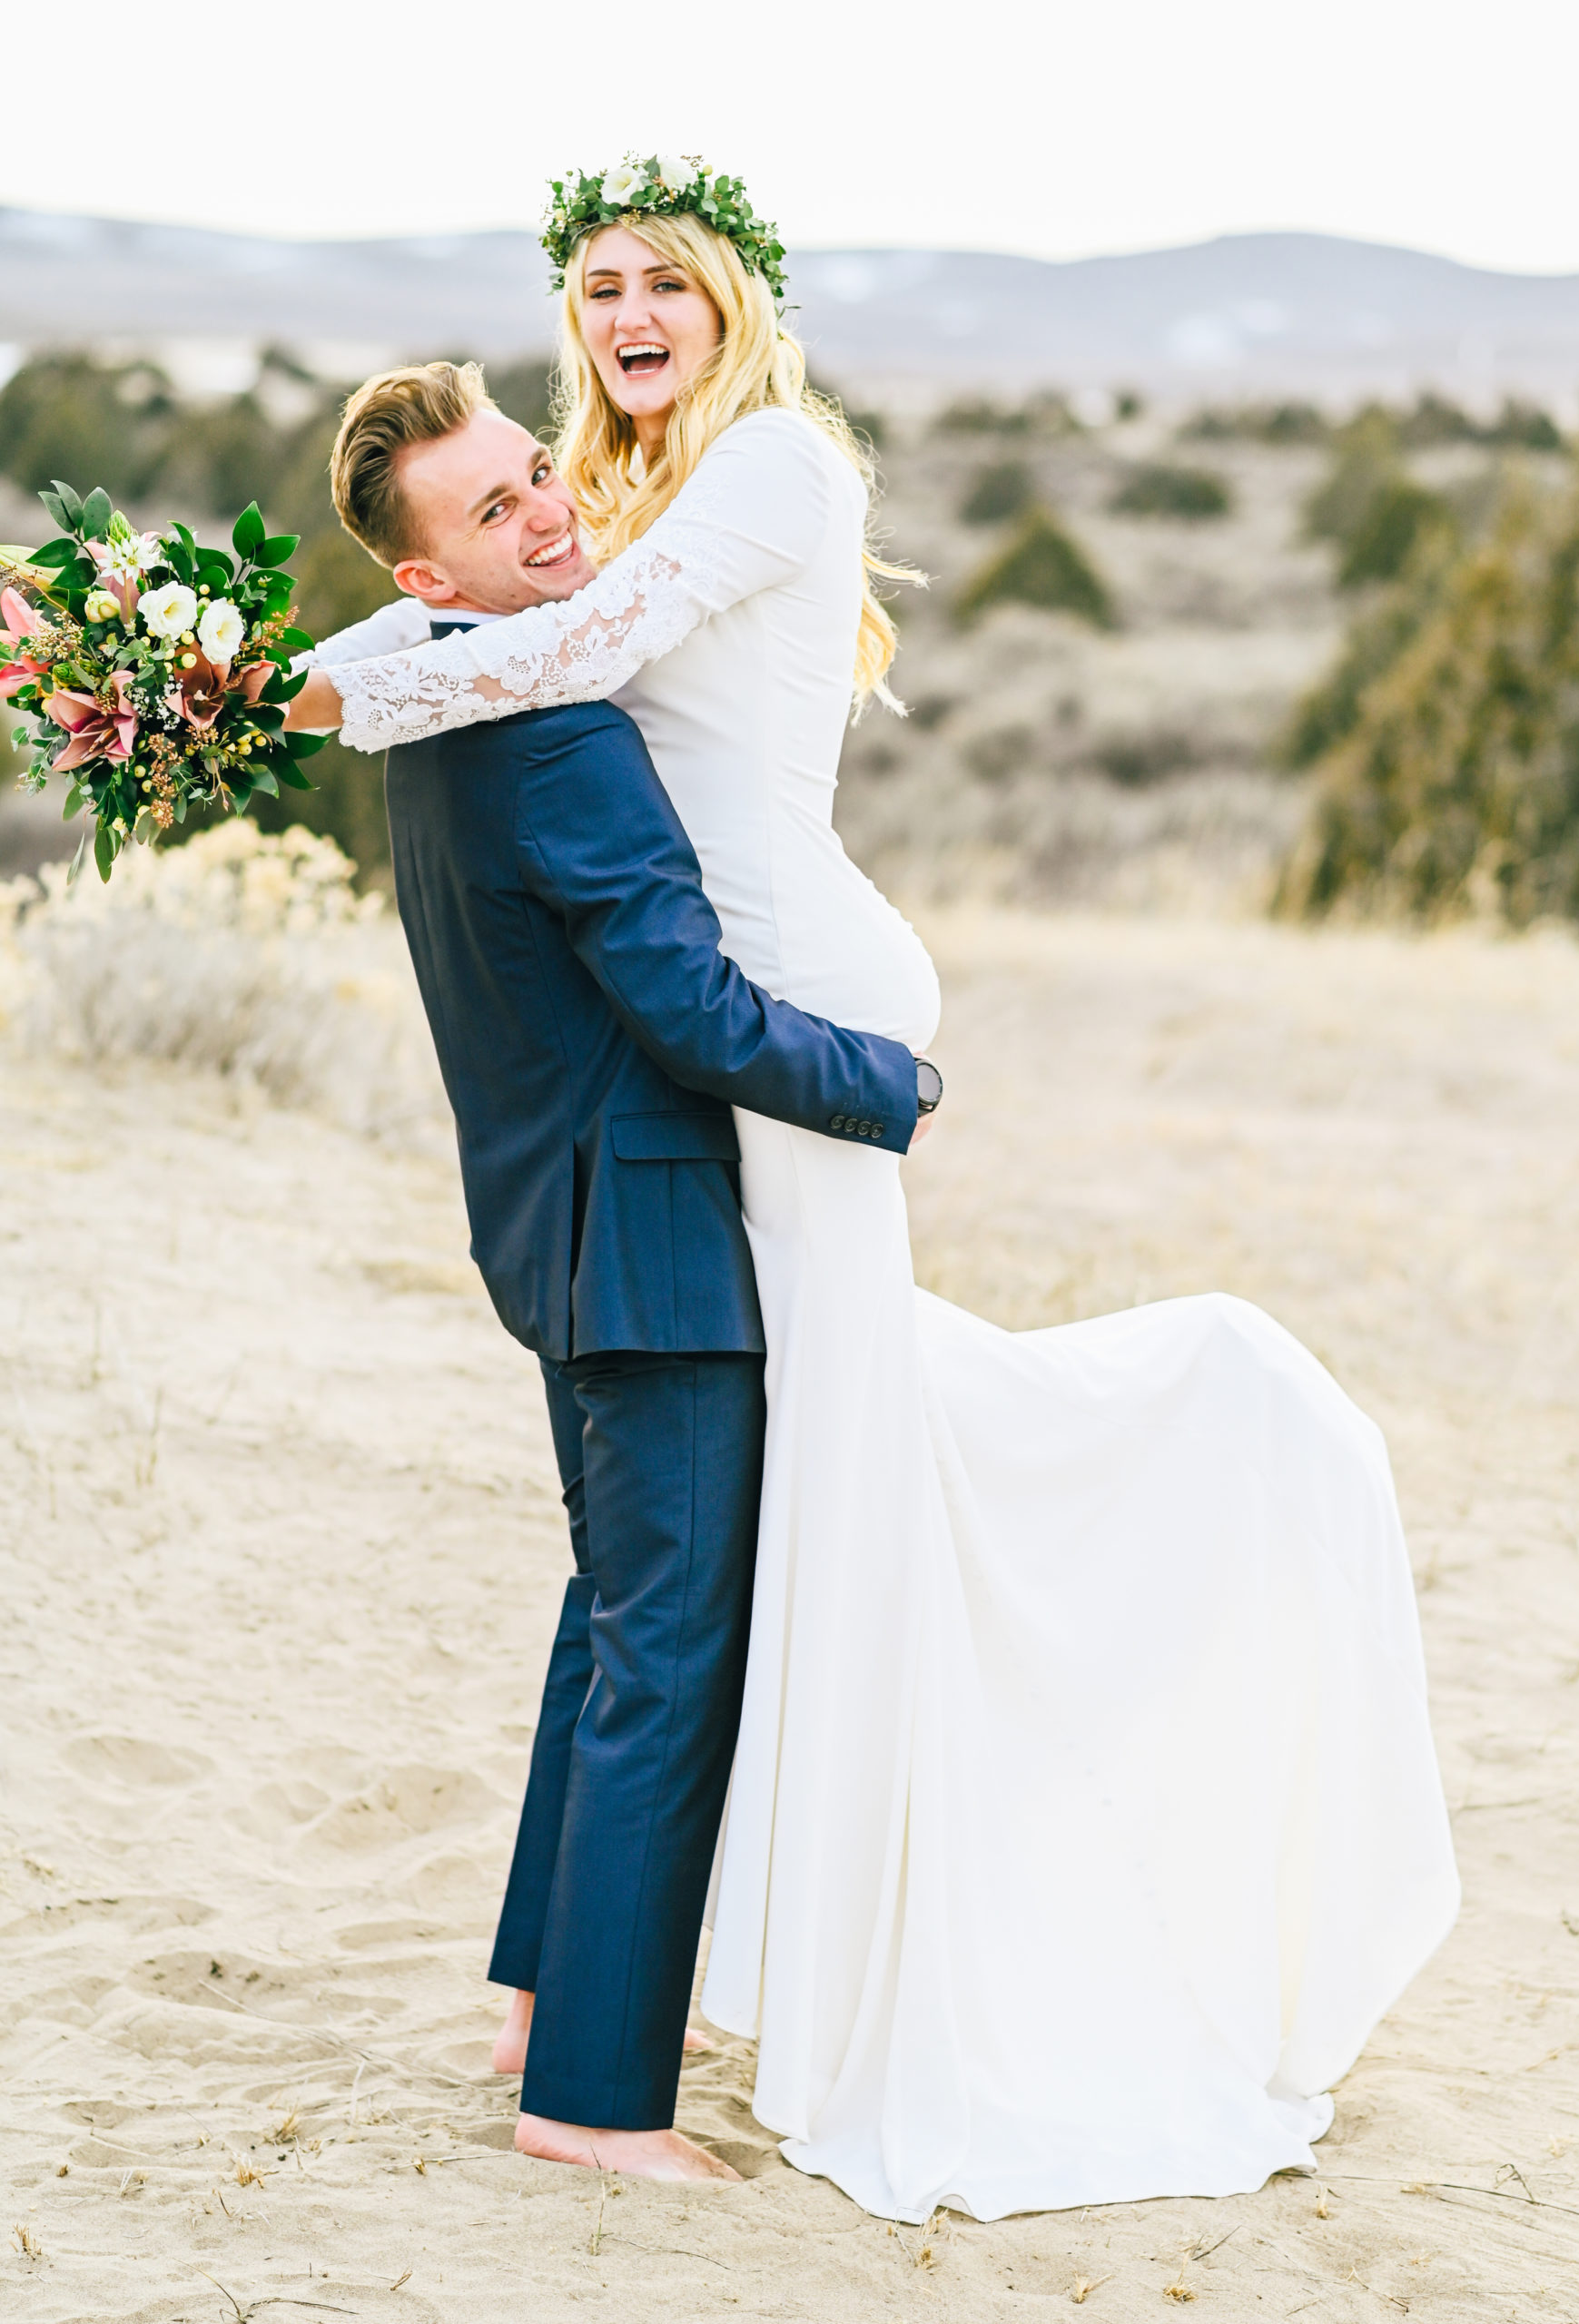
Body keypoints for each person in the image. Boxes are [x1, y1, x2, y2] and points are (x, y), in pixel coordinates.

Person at [292, 157, 1460, 2225]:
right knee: (701, 1558)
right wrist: (231, 675)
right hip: (733, 1080)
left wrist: (255, 683)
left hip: (775, 1046)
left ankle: (619, 1996)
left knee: (736, 1530)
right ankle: (581, 2024)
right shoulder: (595, 524)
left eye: (661, 274)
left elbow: (560, 637)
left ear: (733, 294)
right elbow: (517, 636)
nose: (626, 310)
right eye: (594, 284)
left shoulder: (757, 475)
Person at [313, 358, 922, 2182]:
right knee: (670, 1653)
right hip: (646, 1236)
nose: (547, 508)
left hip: (558, 1226)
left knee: (610, 1619)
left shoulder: (433, 711)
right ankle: (587, 2098)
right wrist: (887, 1081)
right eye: (494, 510)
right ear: (430, 579)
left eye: (534, 470)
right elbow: (684, 999)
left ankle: (533, 1990)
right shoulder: (555, 730)